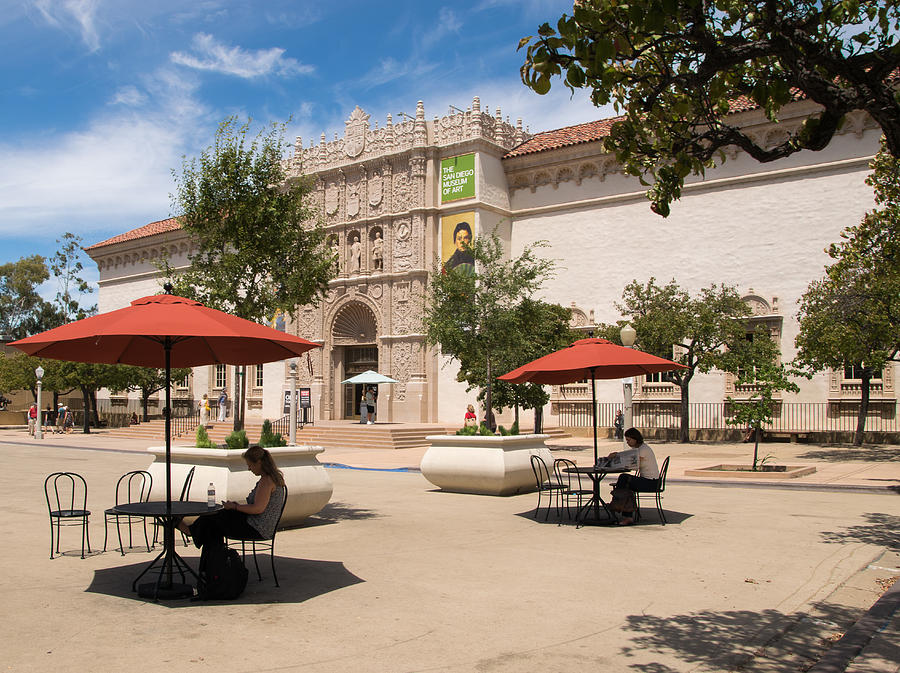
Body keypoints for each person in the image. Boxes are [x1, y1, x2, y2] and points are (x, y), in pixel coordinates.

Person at [177, 445, 285, 552]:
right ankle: (213, 561)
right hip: (258, 524)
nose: (249, 469)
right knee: (217, 520)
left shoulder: (266, 481)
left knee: (215, 518)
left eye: (250, 465)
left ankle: (190, 532)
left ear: (259, 463)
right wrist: (235, 507)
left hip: (257, 528)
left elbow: (258, 508)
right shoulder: (273, 478)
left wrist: (235, 507)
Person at [605, 427, 660, 526]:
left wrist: (617, 455)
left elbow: (631, 461)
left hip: (651, 483)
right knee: (626, 485)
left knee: (624, 478)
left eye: (629, 440)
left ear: (635, 439)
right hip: (648, 481)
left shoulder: (643, 450)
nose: (628, 442)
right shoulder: (639, 449)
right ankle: (624, 512)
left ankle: (617, 503)